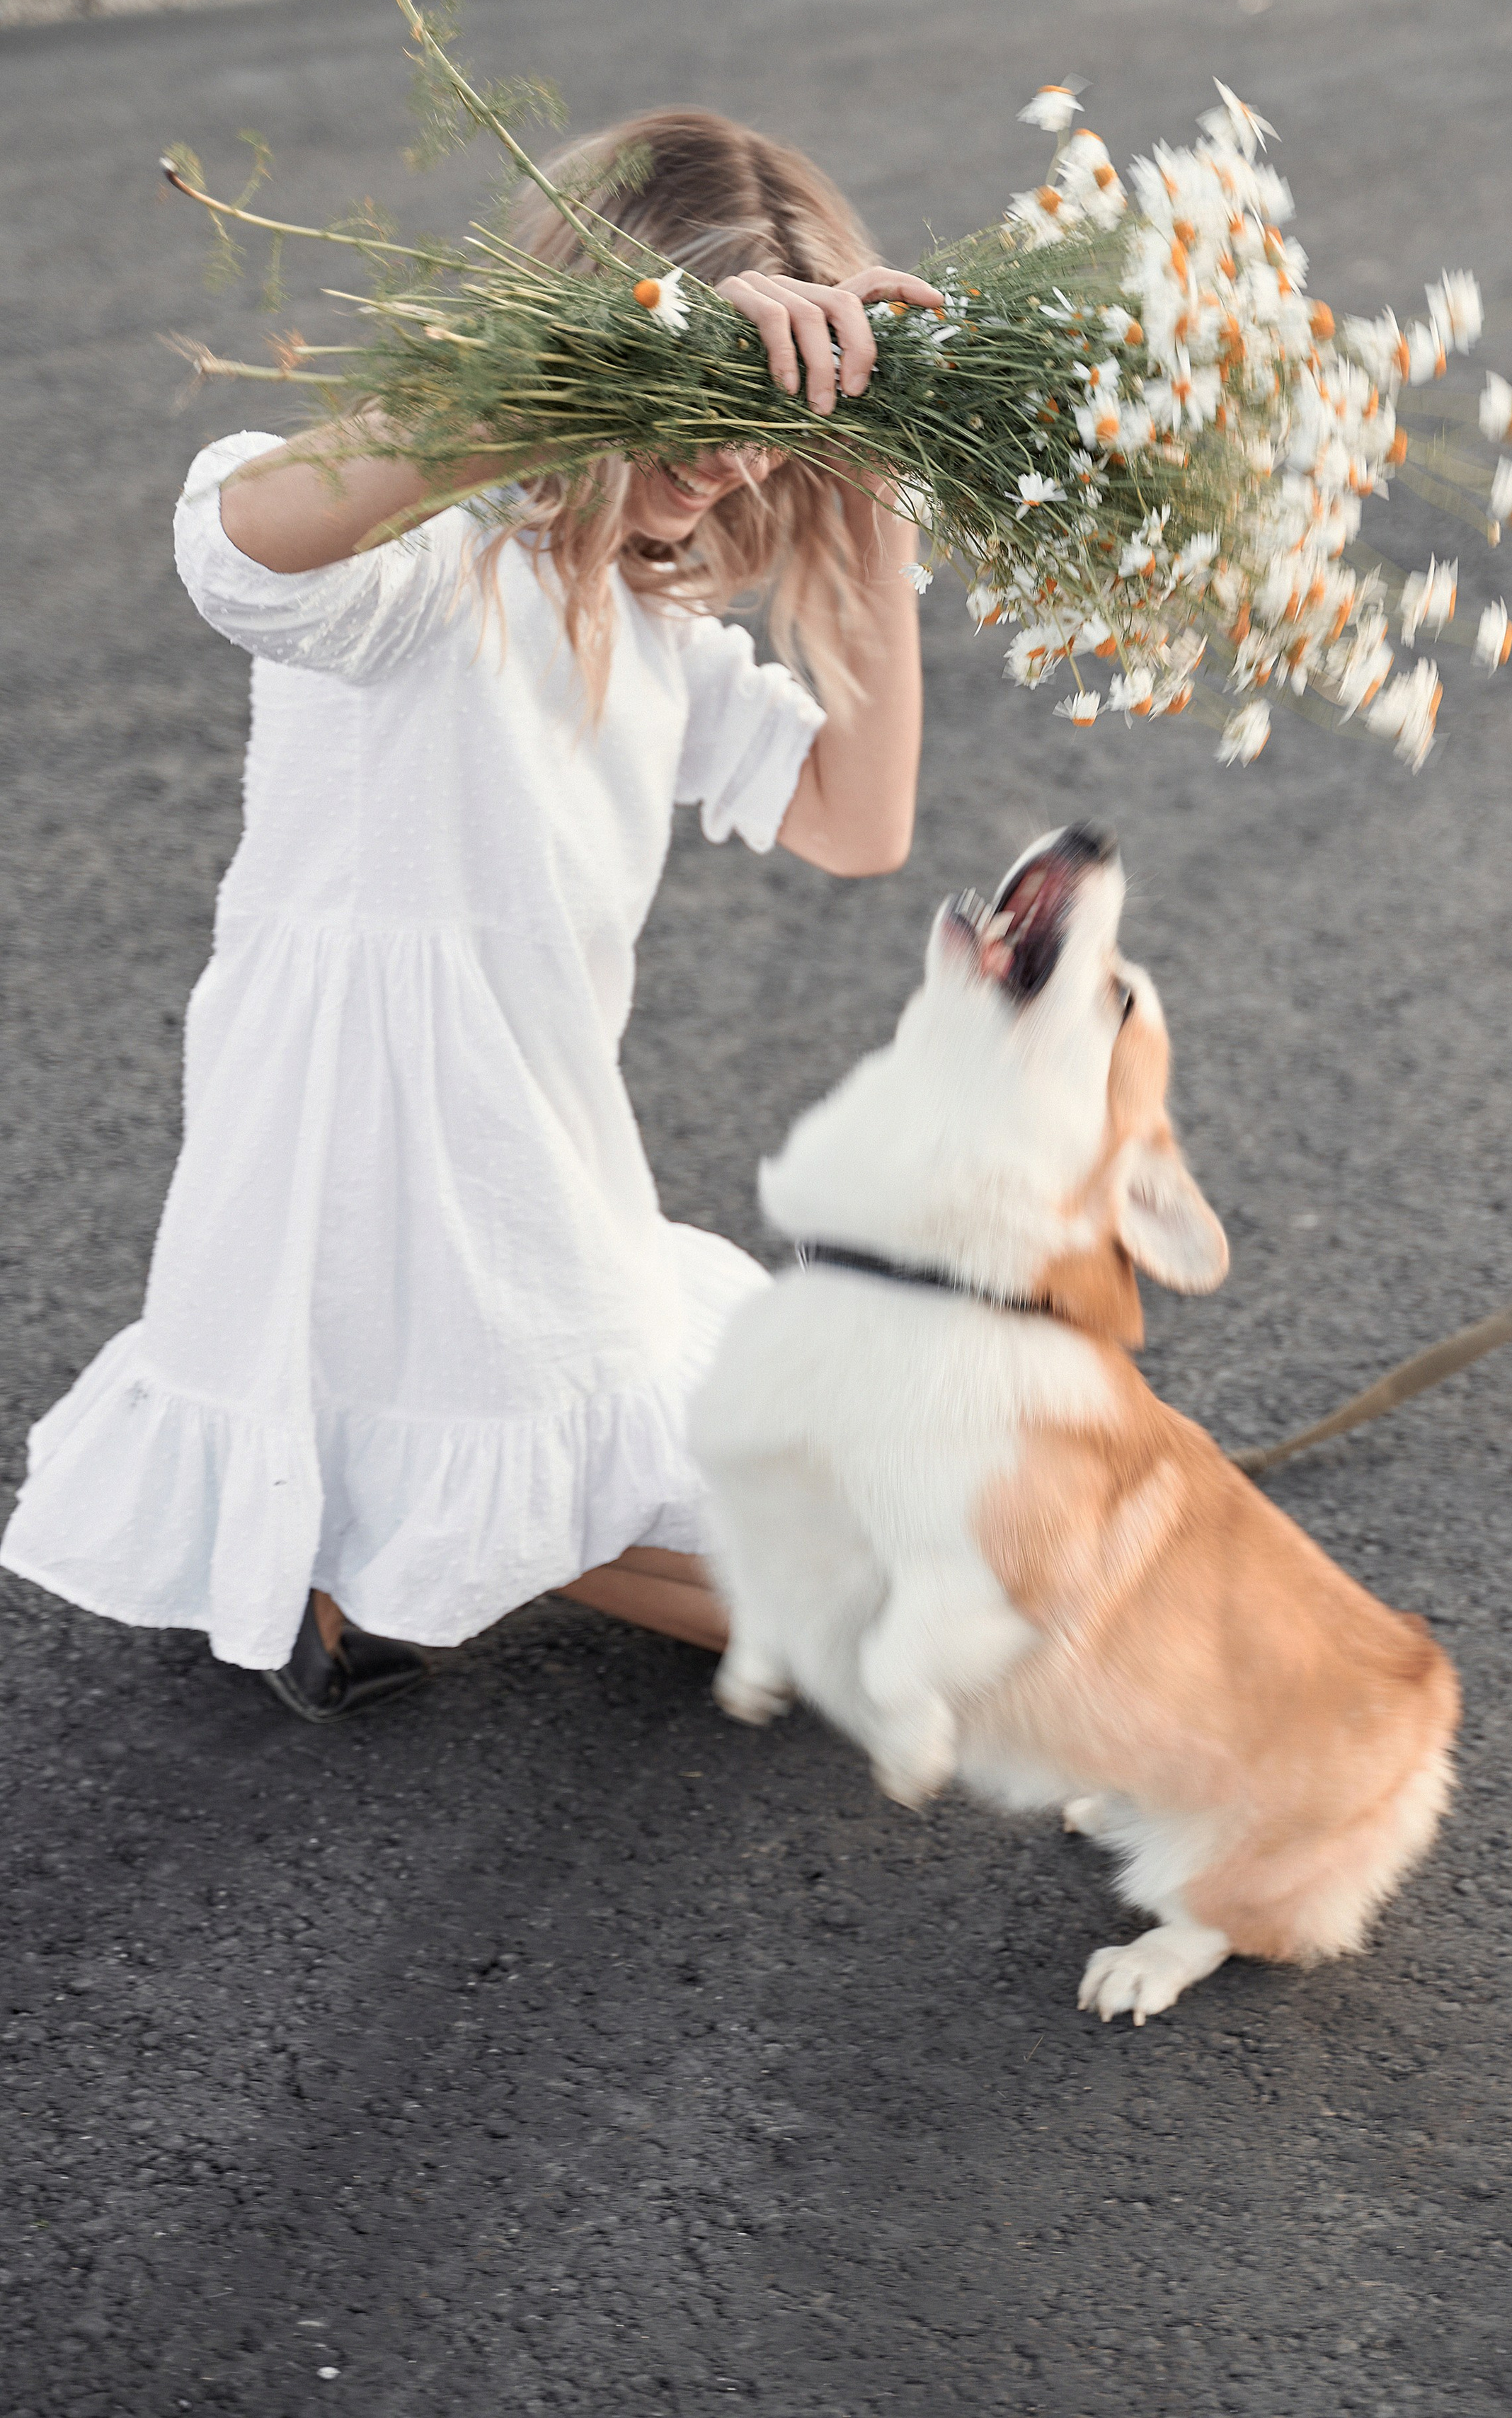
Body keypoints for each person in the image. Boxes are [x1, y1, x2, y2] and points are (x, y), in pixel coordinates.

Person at [2, 109, 941, 1720]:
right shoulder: (426, 558)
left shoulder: (649, 615)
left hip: (538, 1172)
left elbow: (858, 825)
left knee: (903, 1506)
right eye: (701, 402)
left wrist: (874, 494)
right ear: (590, 347)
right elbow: (235, 545)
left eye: (765, 418)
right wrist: (596, 374)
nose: (728, 462)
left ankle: (359, 1531)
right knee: (883, 1617)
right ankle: (358, 1519)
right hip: (390, 1188)